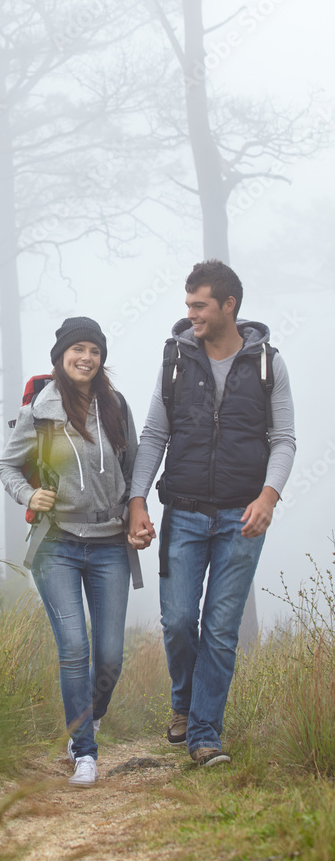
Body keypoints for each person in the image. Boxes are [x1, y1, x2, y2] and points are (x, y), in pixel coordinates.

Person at [128, 260, 296, 766]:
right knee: (179, 621)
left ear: (229, 305)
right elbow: (155, 435)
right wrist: (137, 502)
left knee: (220, 630)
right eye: (187, 305)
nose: (191, 314)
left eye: (199, 305)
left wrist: (268, 497)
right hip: (183, 512)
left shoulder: (269, 363)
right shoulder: (175, 360)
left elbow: (283, 439)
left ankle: (204, 734)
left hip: (243, 519)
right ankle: (183, 704)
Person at [0, 317, 142, 788]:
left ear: (101, 359)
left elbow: (135, 467)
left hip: (109, 545)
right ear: (60, 356)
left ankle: (90, 717)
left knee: (111, 657)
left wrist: (138, 514)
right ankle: (85, 751)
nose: (86, 357)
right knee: (74, 649)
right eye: (77, 349)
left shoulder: (116, 406)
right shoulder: (40, 410)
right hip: (57, 544)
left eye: (94, 351)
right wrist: (27, 495)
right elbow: (7, 464)